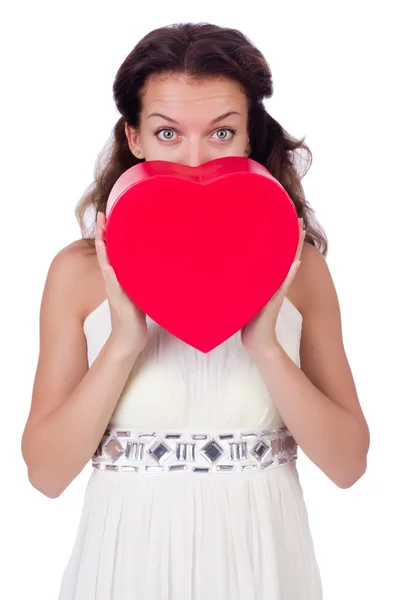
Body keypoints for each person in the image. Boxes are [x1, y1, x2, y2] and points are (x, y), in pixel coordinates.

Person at [21, 21, 370, 600]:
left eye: (221, 132)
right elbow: (47, 476)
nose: (195, 157)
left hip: (264, 562)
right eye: (167, 133)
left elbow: (348, 464)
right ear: (132, 136)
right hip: (127, 562)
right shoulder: (78, 273)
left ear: (250, 136)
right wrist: (125, 339)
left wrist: (264, 344)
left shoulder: (299, 269)